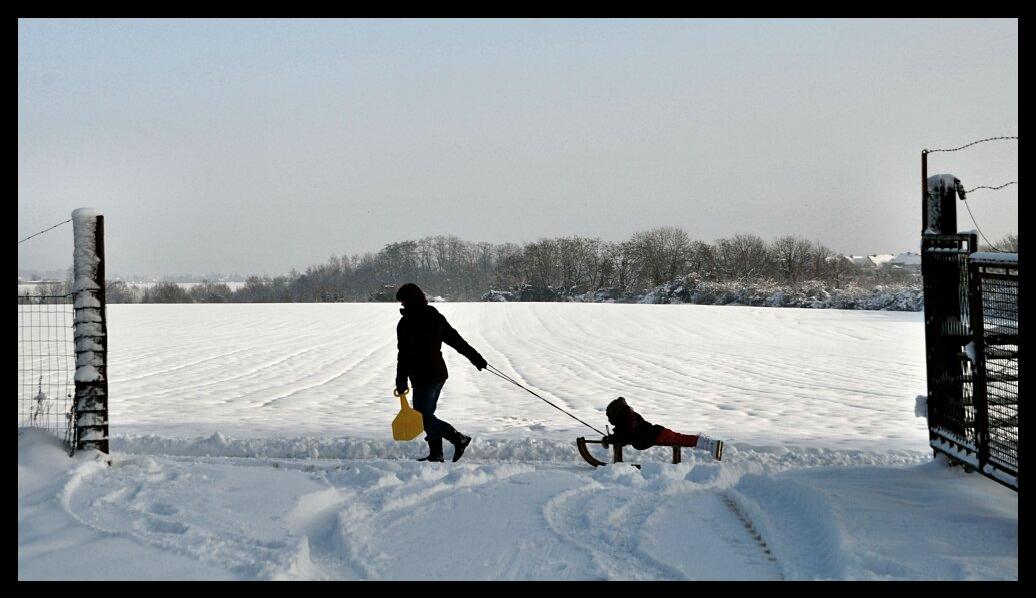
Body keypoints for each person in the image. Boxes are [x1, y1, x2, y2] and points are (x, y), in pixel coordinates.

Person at [395, 283, 487, 463]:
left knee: (423, 417)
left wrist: (401, 380)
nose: (402, 305)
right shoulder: (432, 316)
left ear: (409, 300)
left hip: (424, 378)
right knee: (428, 414)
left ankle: (457, 438)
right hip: (438, 374)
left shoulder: (406, 323)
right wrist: (475, 357)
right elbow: (455, 339)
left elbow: (403, 355)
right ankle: (436, 454)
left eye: (403, 302)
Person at [602, 396, 723, 461]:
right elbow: (624, 434)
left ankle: (710, 444)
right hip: (657, 433)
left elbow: (625, 434)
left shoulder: (628, 420)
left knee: (681, 439)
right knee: (680, 438)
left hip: (657, 434)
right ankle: (708, 443)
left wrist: (612, 439)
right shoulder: (629, 418)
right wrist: (613, 438)